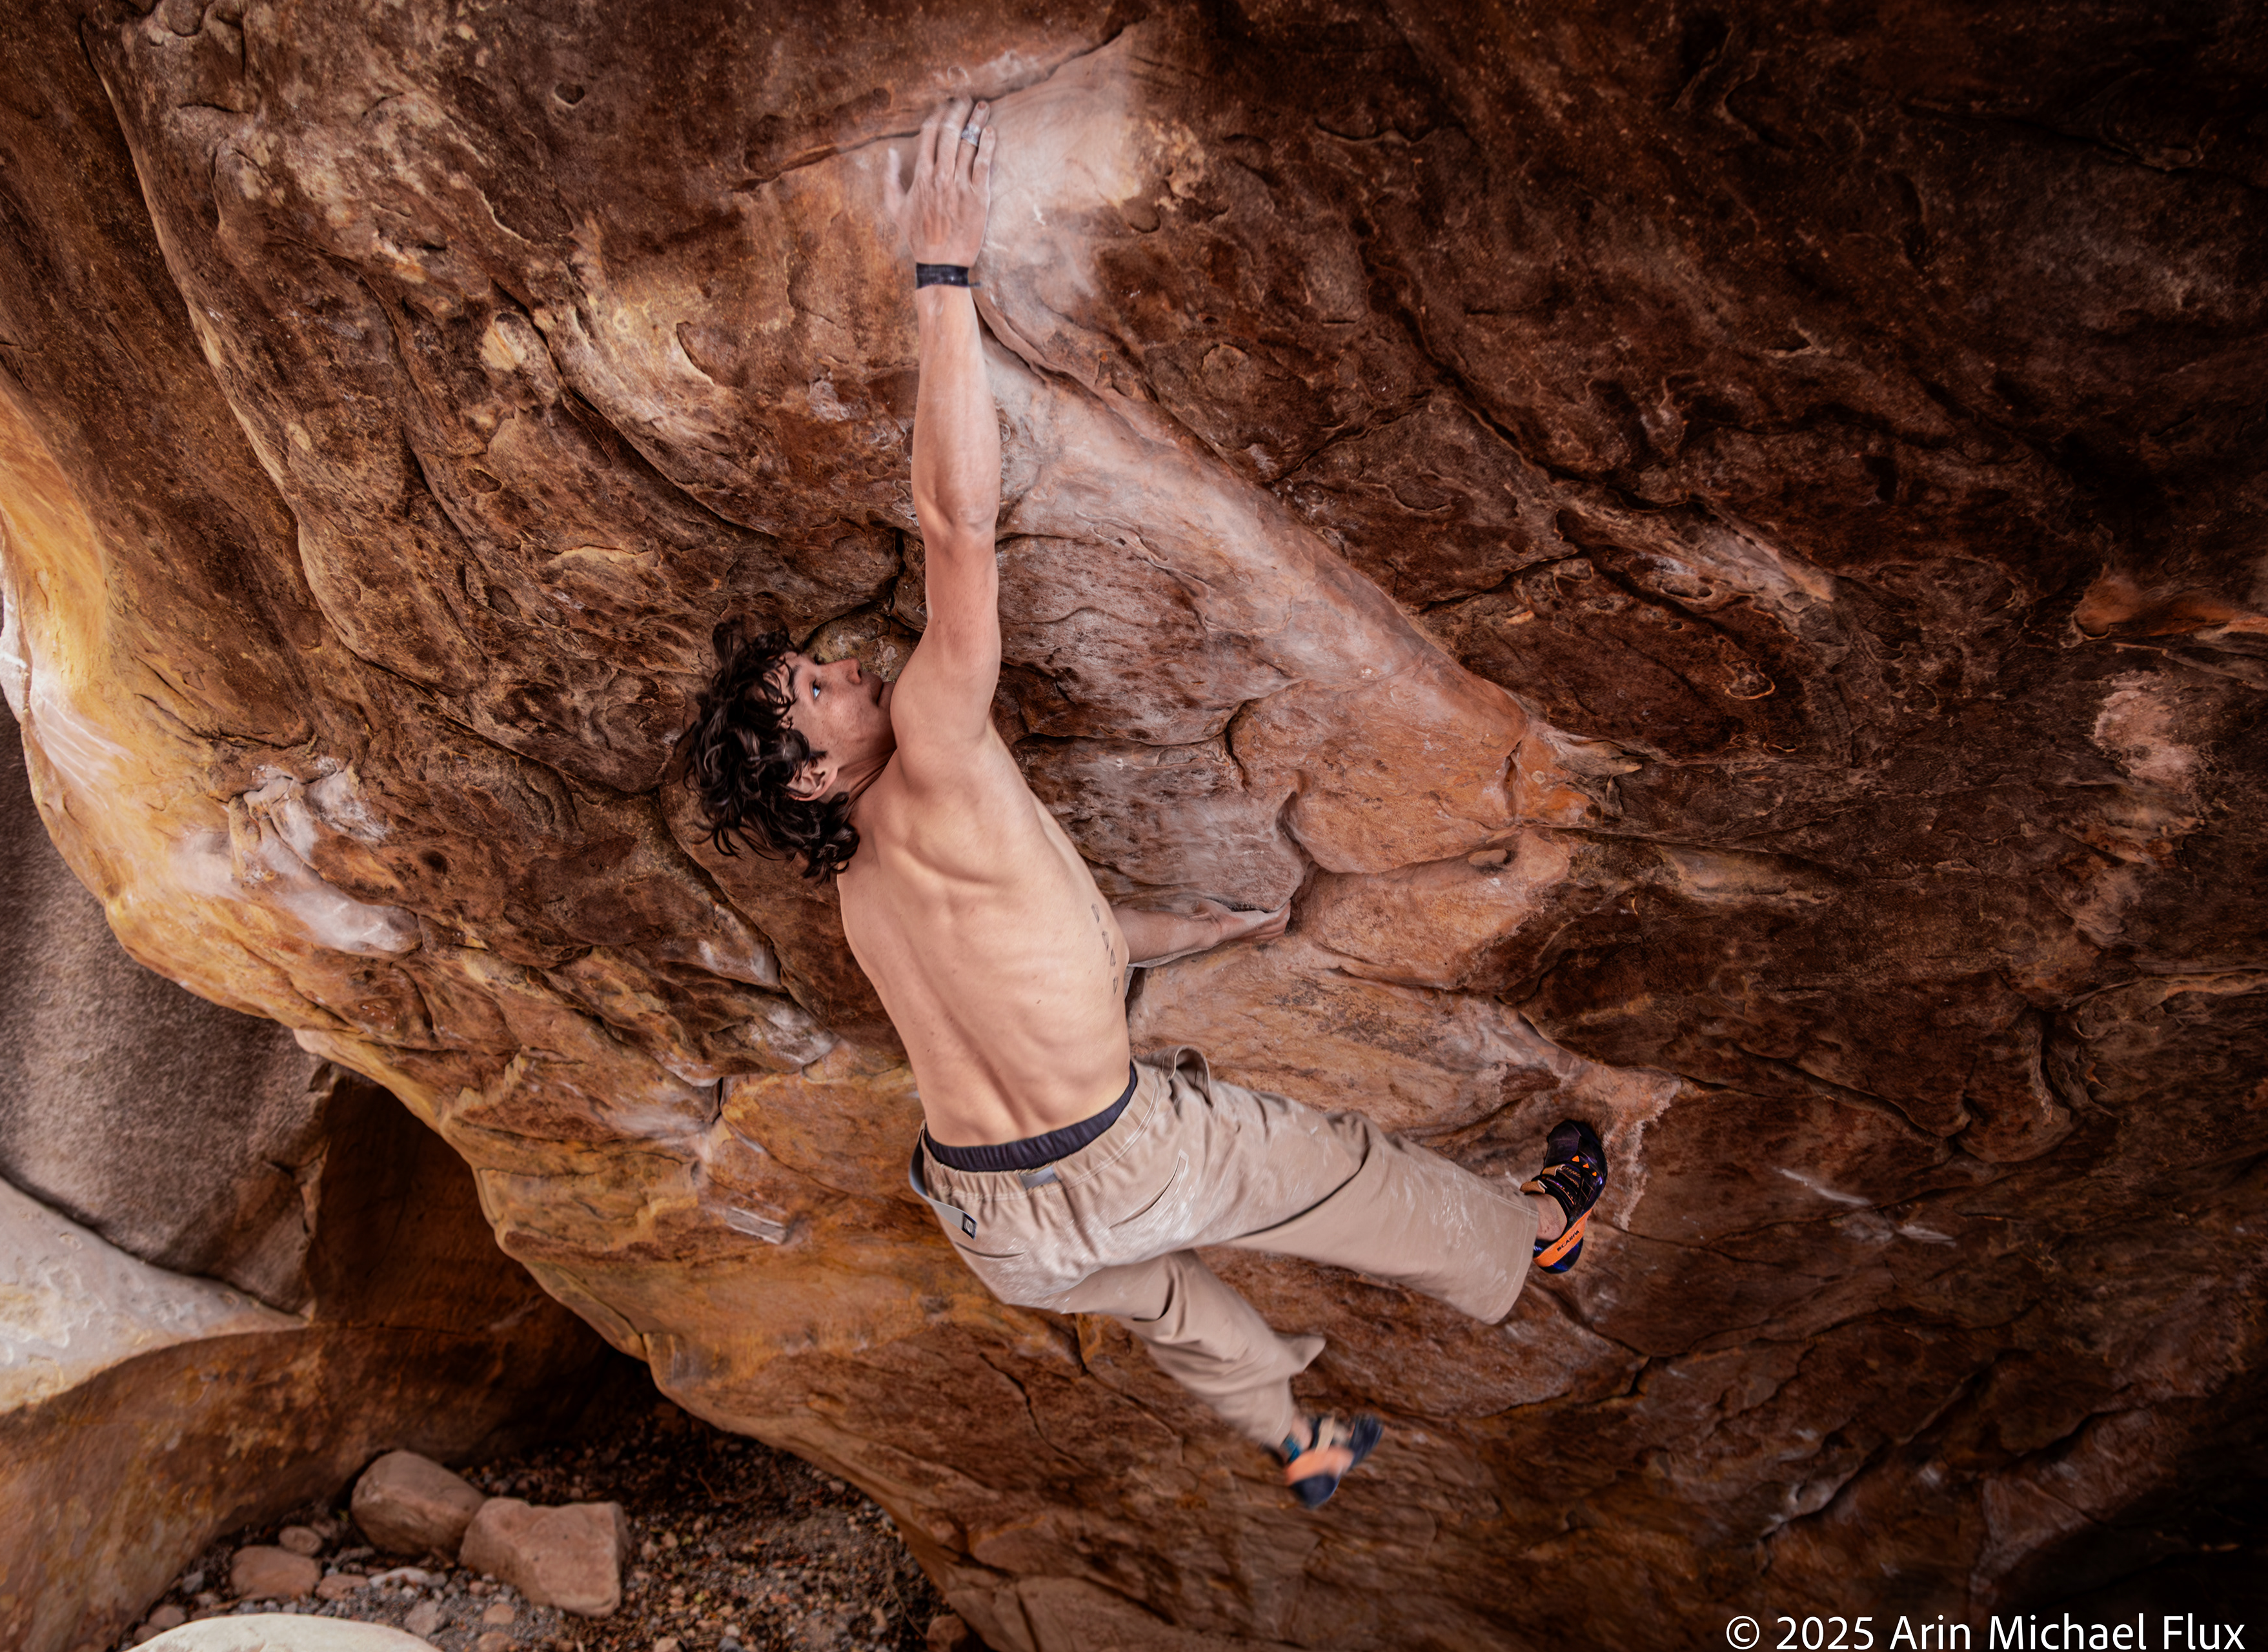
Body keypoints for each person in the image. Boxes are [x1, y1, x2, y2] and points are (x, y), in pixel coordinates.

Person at [682, 96, 1609, 1509]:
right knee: (1351, 1174)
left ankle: (1293, 1437)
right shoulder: (930, 742)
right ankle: (1544, 1232)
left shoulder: (867, 886)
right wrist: (942, 276)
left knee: (1172, 1304)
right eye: (817, 688)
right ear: (817, 768)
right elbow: (954, 527)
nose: (846, 664)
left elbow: (1027, 955)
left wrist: (1179, 924)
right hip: (1117, 1158)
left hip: (988, 1214)